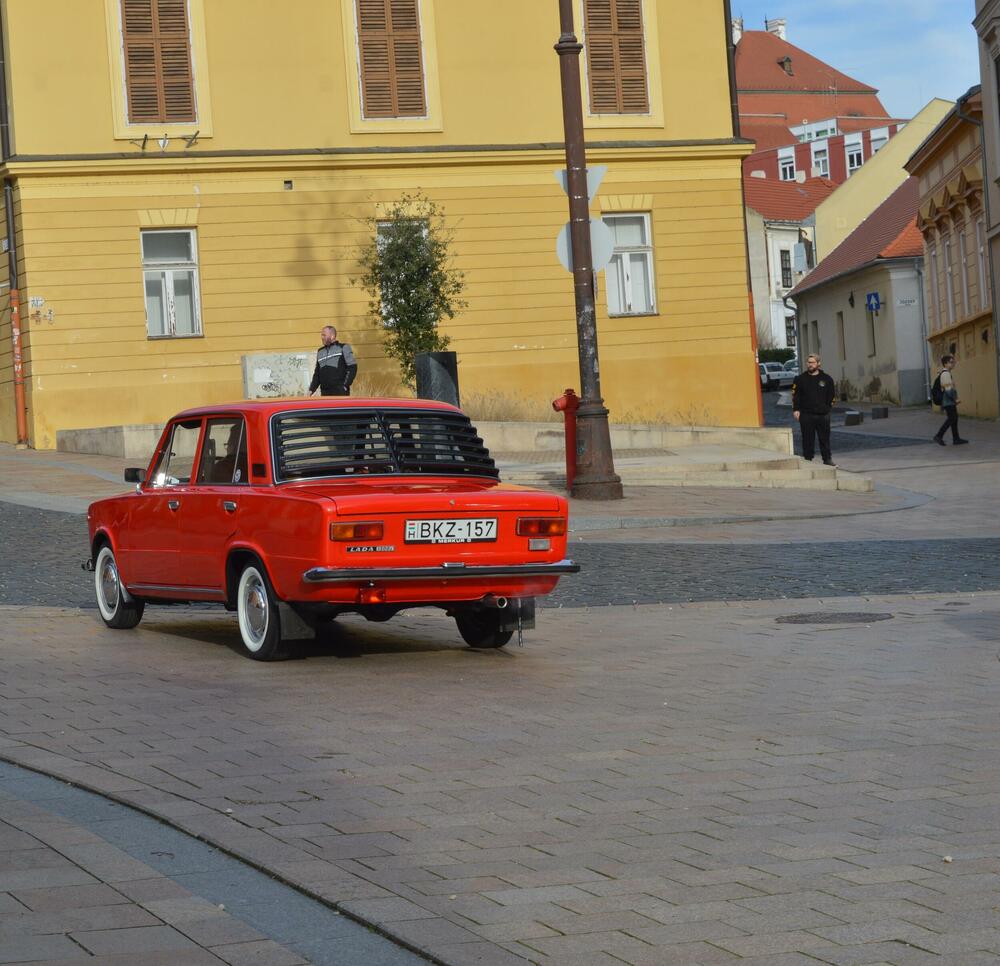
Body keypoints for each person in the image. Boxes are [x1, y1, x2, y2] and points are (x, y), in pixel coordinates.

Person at [791, 353, 836, 466]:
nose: (810, 365)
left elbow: (832, 395)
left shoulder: (827, 379)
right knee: (807, 439)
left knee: (824, 438)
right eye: (808, 362)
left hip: (823, 414)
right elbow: (795, 395)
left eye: (812, 362)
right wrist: (796, 409)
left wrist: (827, 407)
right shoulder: (800, 379)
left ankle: (827, 459)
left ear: (818, 364)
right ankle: (808, 459)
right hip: (806, 414)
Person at [309, 325, 357, 397]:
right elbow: (317, 374)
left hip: (340, 392)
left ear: (332, 336)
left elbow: (353, 367)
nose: (322, 337)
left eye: (324, 335)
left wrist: (345, 386)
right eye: (322, 335)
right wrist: (311, 390)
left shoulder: (343, 347)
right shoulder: (320, 352)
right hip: (325, 393)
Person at [932, 354, 969, 446]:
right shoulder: (945, 374)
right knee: (952, 418)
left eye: (953, 362)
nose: (953, 364)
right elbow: (948, 389)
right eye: (951, 362)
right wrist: (955, 399)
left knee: (954, 419)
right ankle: (939, 436)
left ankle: (956, 439)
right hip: (948, 400)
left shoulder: (946, 373)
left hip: (948, 400)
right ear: (945, 364)